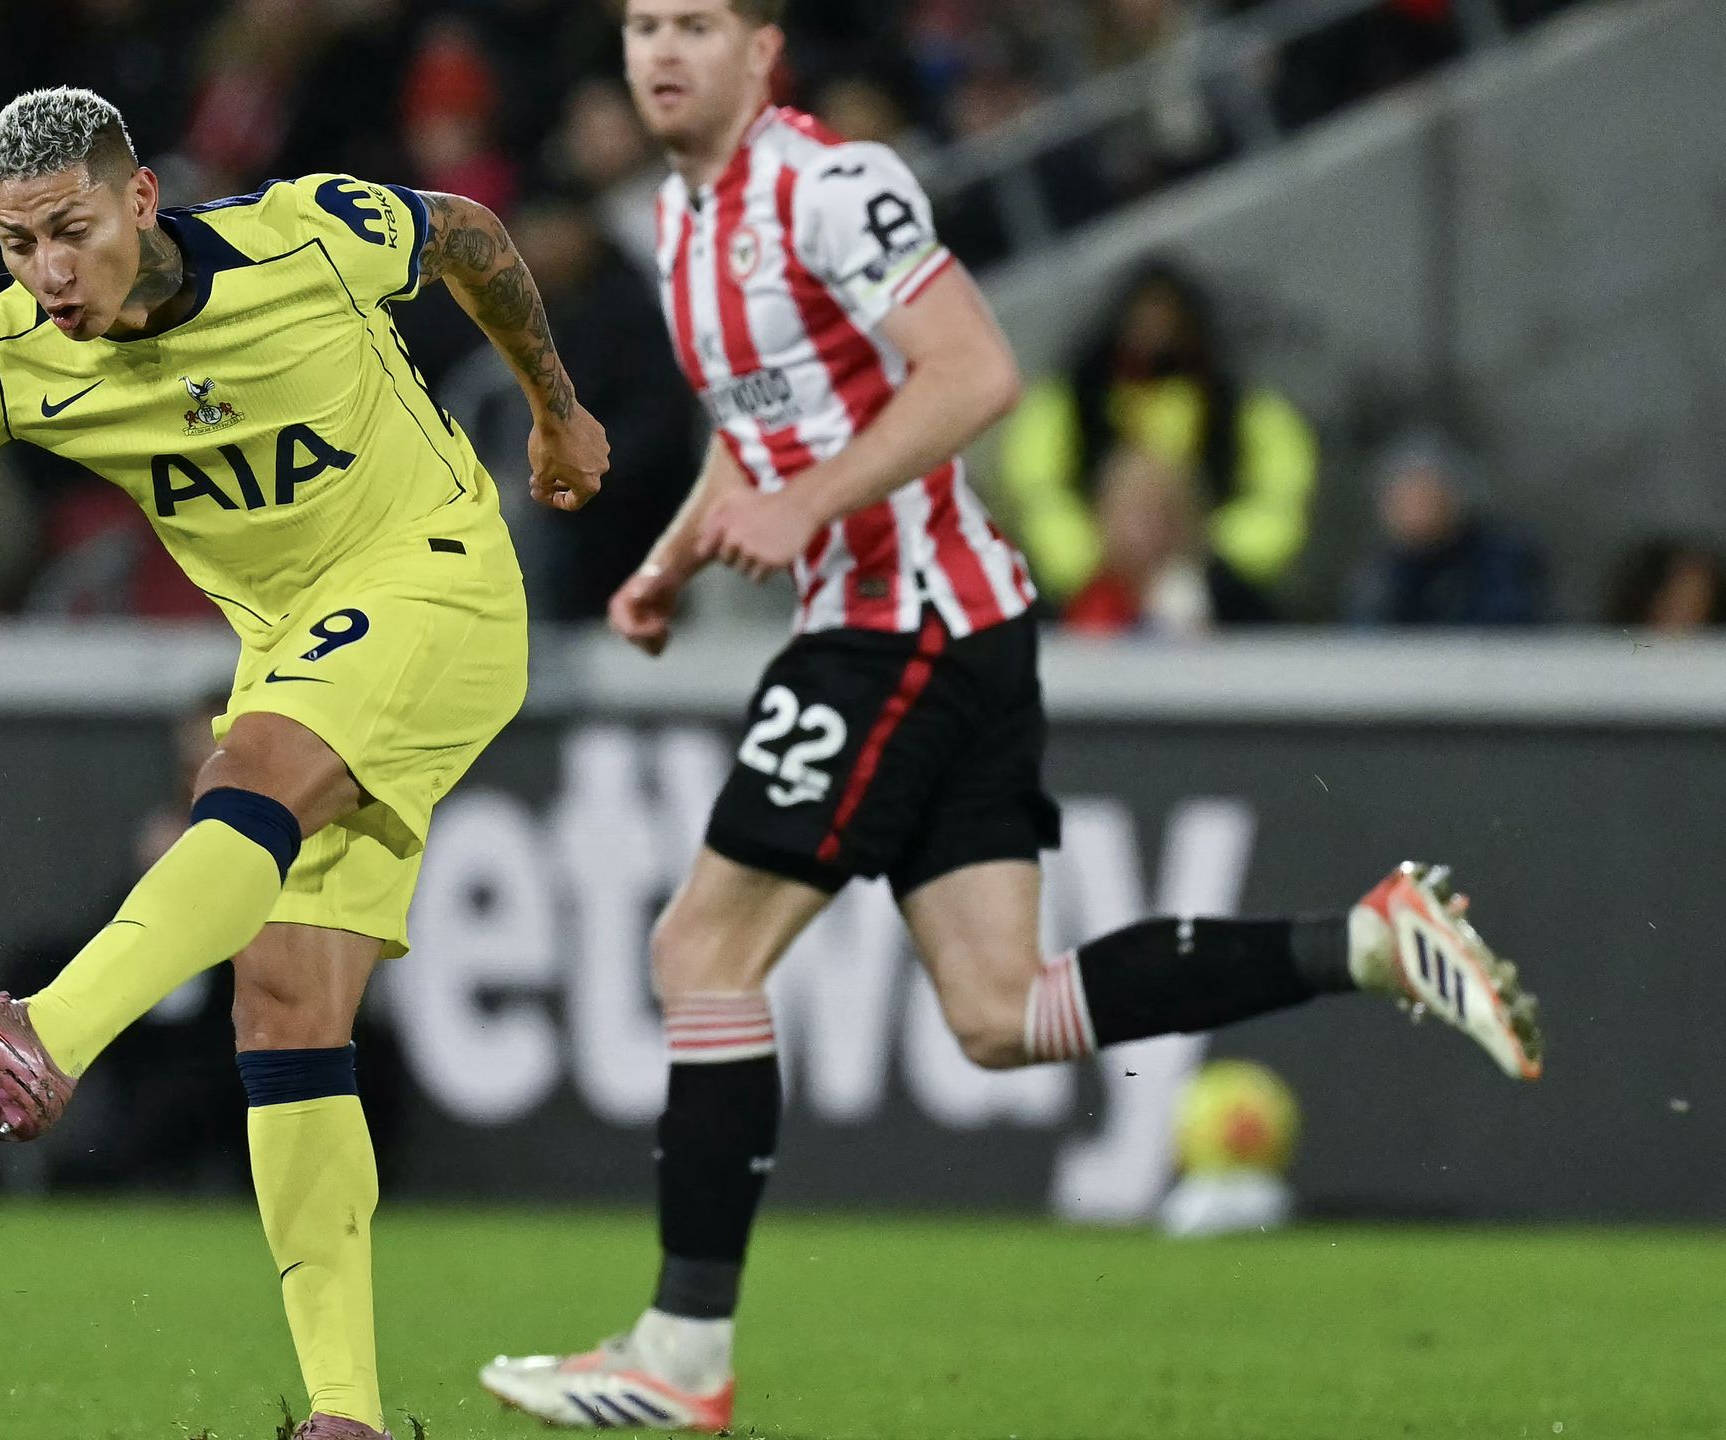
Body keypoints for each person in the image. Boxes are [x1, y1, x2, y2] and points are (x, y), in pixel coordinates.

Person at [475, 4, 1541, 1431]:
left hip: (898, 626)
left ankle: (680, 1354)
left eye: (694, 23)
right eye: (640, 26)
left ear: (764, 46)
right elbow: (760, 430)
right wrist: (673, 559)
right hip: (952, 633)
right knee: (998, 1012)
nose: (660, 52)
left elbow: (976, 371)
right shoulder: (678, 223)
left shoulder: (830, 185)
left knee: (700, 947)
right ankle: (1367, 940)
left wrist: (809, 507)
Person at [0, 88, 609, 1440]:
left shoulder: (304, 237)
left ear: (144, 201)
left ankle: (47, 1031)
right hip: (295, 641)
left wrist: (554, 411)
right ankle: (347, 1414)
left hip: (438, 578)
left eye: (73, 232)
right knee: (283, 1003)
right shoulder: (5, 353)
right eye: (15, 243)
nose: (47, 274)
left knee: (248, 777)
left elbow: (467, 234)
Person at [998, 258, 1318, 602]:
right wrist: (1086, 563)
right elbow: (1037, 492)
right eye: (1145, 317)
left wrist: (1216, 561)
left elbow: (1280, 492)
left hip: (1214, 585)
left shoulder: (1235, 406)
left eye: (1167, 318)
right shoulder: (1072, 402)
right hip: (1092, 585)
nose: (1155, 329)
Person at [1058, 444, 1274, 634]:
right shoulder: (1081, 599)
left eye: (1162, 511)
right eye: (1133, 513)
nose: (1147, 529)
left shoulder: (1235, 604)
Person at [1344, 431, 1547, 627]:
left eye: (1425, 499)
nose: (1415, 513)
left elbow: (1509, 630)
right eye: (1404, 502)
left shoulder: (1500, 562)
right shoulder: (1380, 575)